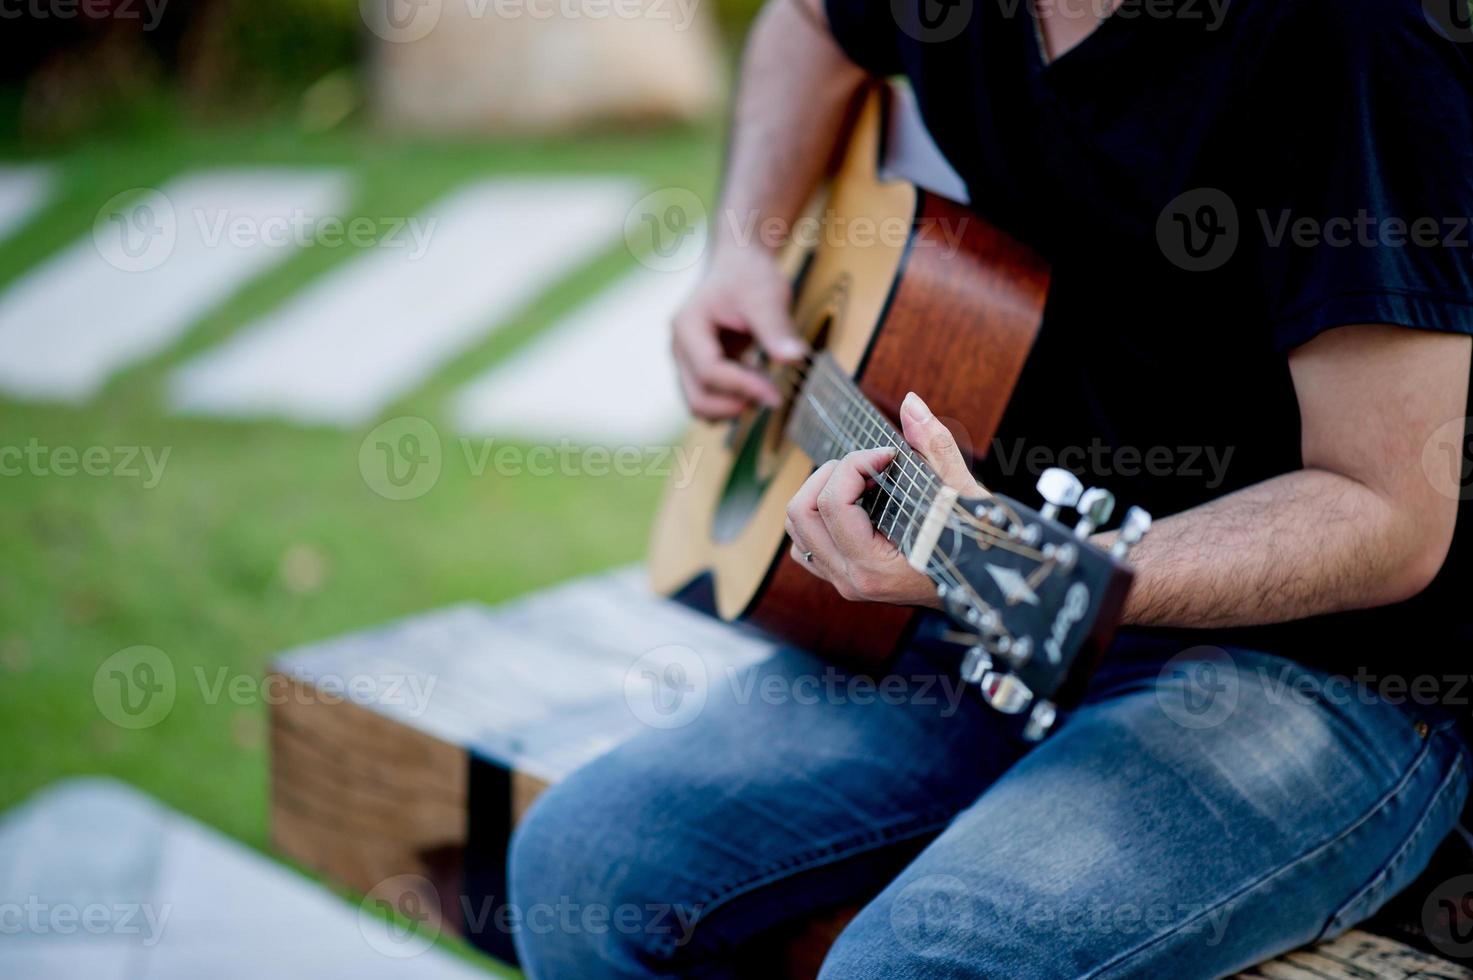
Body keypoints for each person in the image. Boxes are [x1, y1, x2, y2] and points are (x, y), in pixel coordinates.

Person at [509, 0, 1473, 974]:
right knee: (582, 863)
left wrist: (1034, 568)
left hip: (1317, 670)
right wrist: (747, 247)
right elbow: (806, 20)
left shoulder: (1355, 36)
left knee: (910, 965)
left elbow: (1386, 509)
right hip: (993, 592)